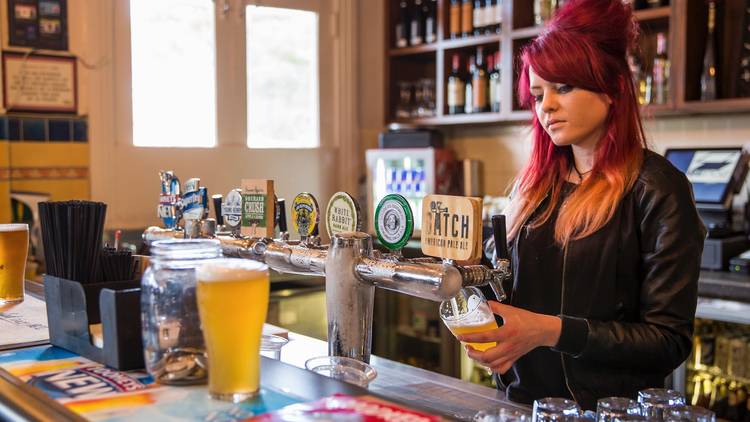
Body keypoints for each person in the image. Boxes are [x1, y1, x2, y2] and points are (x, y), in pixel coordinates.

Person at [459, 0, 707, 410]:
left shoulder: (657, 189)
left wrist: (550, 331)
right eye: (538, 94)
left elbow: (668, 341)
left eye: (564, 87)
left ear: (611, 90)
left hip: (609, 413)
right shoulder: (534, 190)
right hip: (522, 406)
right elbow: (504, 293)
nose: (546, 107)